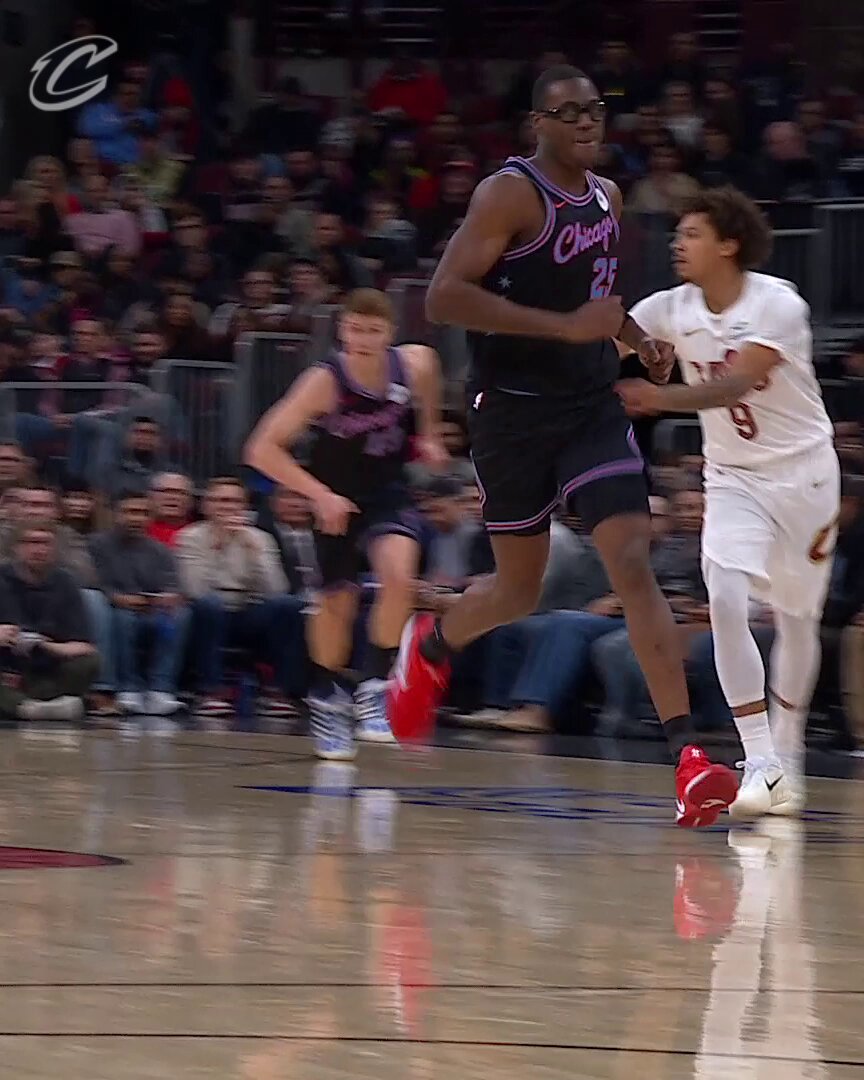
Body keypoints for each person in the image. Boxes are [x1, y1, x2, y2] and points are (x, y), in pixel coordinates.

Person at [387, 64, 737, 828]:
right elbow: (443, 297)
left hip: (588, 409)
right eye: (568, 111)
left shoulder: (608, 197)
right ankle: (433, 646)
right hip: (511, 414)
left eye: (595, 109)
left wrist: (636, 339)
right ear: (537, 124)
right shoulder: (507, 194)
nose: (585, 122)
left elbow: (595, 303)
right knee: (518, 591)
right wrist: (564, 328)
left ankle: (688, 760)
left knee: (632, 560)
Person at [616, 185, 841, 817]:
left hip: (803, 475)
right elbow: (611, 338)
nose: (677, 243)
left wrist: (657, 397)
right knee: (725, 595)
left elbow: (737, 383)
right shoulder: (670, 307)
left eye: (691, 234)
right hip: (732, 476)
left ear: (729, 244)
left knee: (796, 619)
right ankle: (761, 760)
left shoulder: (778, 305)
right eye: (677, 234)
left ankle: (789, 752)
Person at [244, 287, 447, 760]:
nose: (363, 339)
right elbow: (260, 449)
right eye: (355, 329)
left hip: (387, 492)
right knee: (338, 605)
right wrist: (319, 495)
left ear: (389, 334)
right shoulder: (324, 381)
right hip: (333, 498)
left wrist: (430, 433)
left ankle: (374, 685)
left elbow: (433, 371)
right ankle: (327, 695)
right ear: (342, 331)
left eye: (373, 331)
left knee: (400, 579)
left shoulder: (413, 363)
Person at [90, 491, 188, 716]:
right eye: (130, 512)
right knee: (122, 617)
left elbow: (173, 584)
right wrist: (117, 598)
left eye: (144, 513)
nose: (137, 518)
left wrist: (168, 597)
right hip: (115, 609)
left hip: (151, 609)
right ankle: (128, 688)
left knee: (182, 615)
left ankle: (160, 689)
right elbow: (92, 582)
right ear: (115, 514)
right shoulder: (97, 545)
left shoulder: (159, 550)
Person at [0, 521, 99, 723]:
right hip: (5, 671)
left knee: (89, 663)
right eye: (31, 542)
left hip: (46, 671)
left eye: (46, 543)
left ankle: (30, 706)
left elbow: (85, 647)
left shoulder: (66, 582)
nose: (39, 550)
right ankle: (30, 708)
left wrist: (44, 644)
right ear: (16, 547)